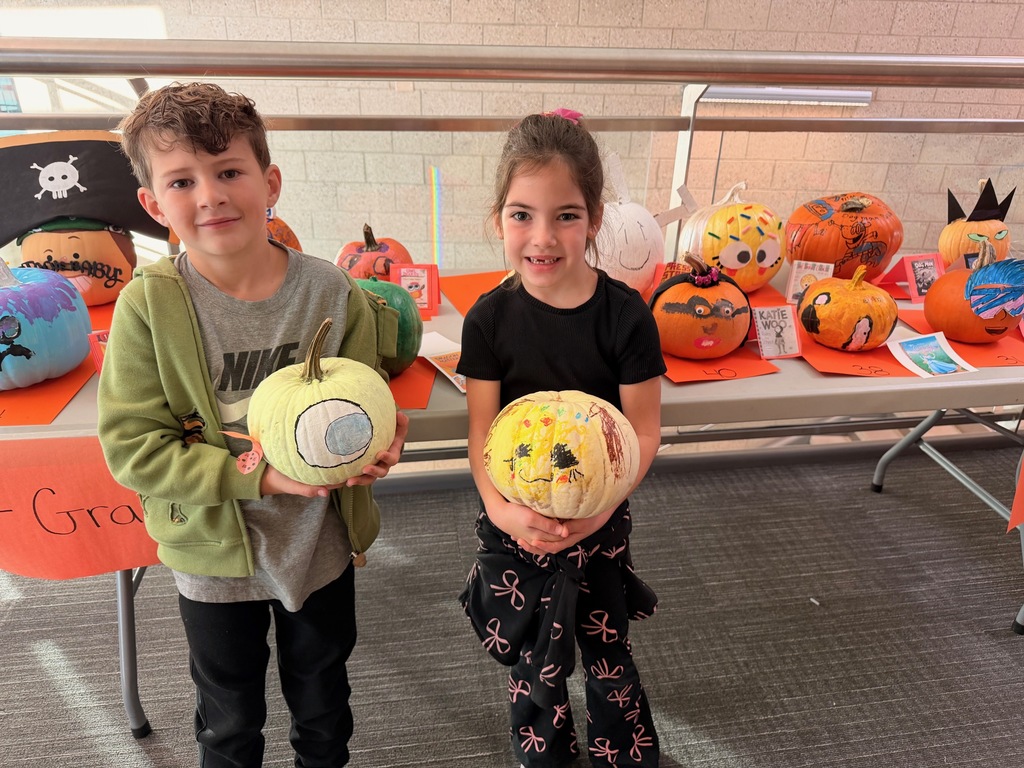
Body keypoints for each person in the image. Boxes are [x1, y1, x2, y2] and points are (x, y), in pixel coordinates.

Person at [96, 82, 408, 768]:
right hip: (211, 556)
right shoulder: (148, 308)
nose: (210, 195)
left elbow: (366, 395)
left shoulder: (331, 291)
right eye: (183, 181)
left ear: (270, 183)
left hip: (320, 545)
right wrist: (258, 477)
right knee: (229, 722)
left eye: (229, 171)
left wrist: (382, 439)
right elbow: (133, 449)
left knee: (324, 706)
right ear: (154, 205)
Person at [456, 109, 666, 768]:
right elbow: (482, 433)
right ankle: (542, 755)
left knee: (607, 652)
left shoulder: (626, 317)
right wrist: (503, 513)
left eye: (566, 216)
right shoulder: (488, 320)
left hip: (600, 517)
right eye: (522, 215)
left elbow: (644, 429)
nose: (542, 237)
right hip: (514, 521)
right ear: (498, 220)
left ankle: (623, 754)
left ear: (595, 219)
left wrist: (598, 511)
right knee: (532, 656)